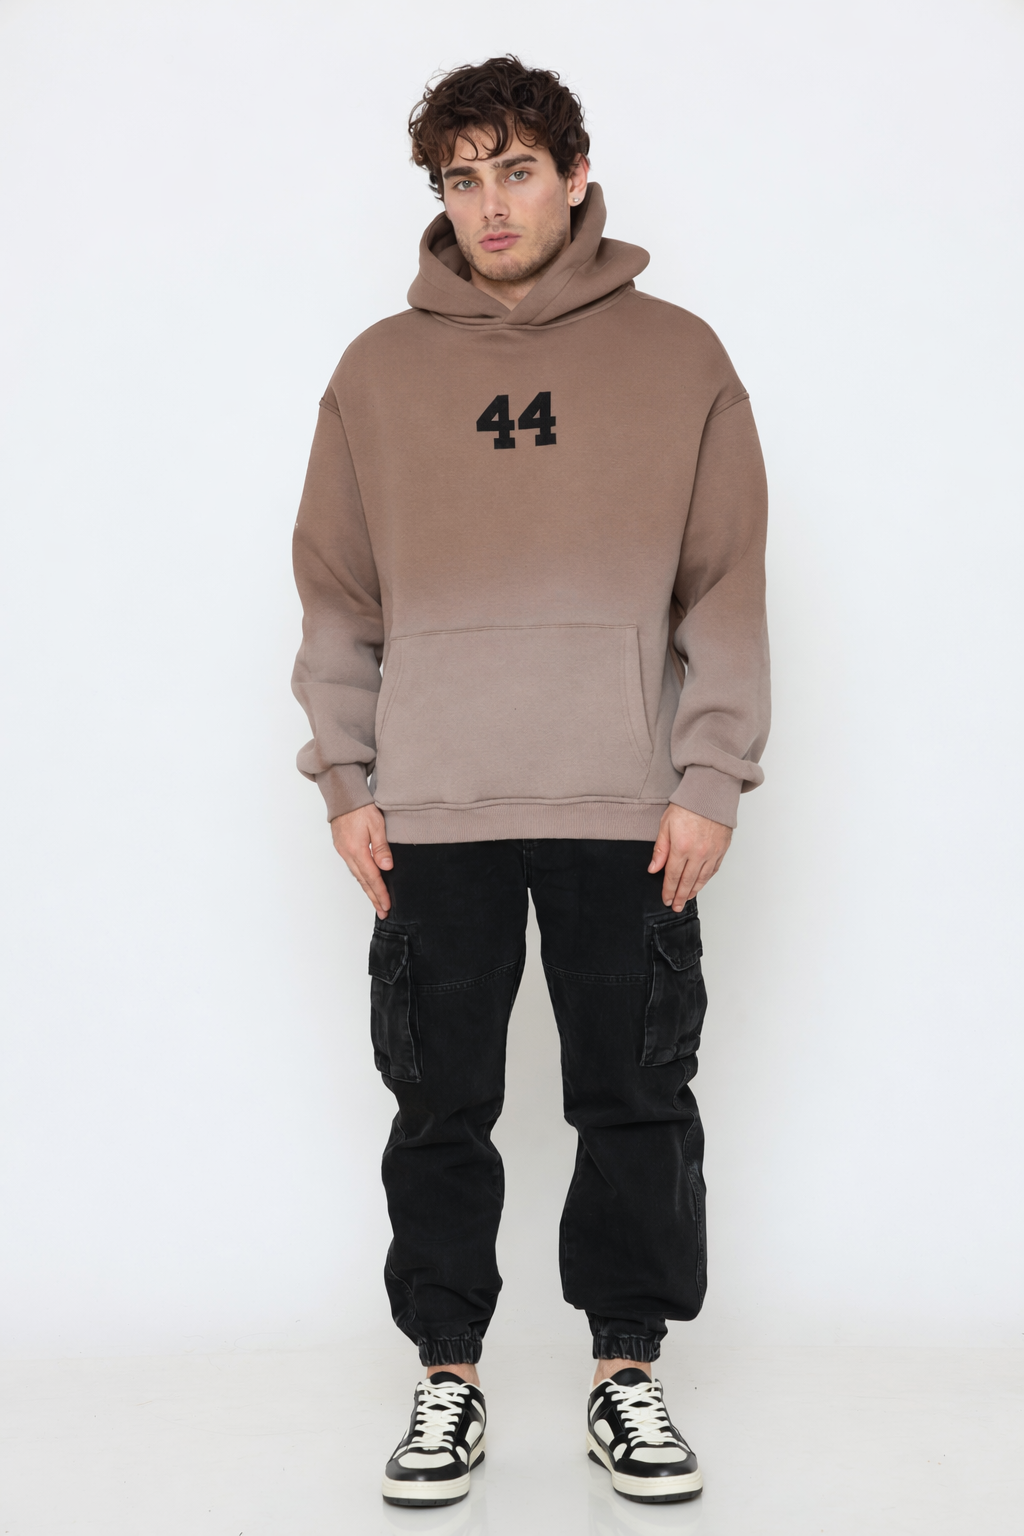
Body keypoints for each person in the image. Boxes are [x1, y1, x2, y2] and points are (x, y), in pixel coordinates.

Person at [291, 55, 769, 1509]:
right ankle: (450, 1376)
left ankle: (628, 1374)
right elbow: (338, 596)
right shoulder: (378, 373)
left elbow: (725, 588)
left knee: (635, 1096)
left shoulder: (680, 359)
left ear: (574, 175)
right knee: (440, 1108)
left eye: (516, 170)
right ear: (440, 196)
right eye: (463, 177)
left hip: (626, 805)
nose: (490, 203)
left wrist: (712, 773)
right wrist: (346, 777)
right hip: (432, 809)